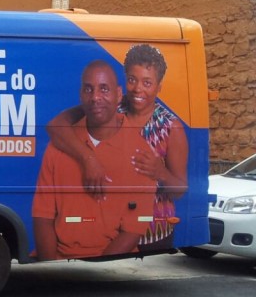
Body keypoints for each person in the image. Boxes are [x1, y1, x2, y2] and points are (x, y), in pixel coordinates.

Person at [44, 44, 188, 250]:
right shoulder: (107, 105)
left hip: (151, 234)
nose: (138, 89)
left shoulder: (169, 126)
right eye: (132, 80)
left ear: (159, 87)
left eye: (147, 82)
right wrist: (88, 158)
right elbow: (55, 127)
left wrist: (160, 172)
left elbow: (180, 190)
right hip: (109, 231)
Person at [33, 60, 157, 261]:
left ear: (118, 95)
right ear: (81, 95)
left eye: (104, 89)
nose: (95, 97)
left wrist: (96, 272)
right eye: (88, 89)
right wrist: (52, 271)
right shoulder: (59, 146)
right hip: (59, 263)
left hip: (112, 268)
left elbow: (133, 229)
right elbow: (42, 217)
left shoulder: (141, 155)